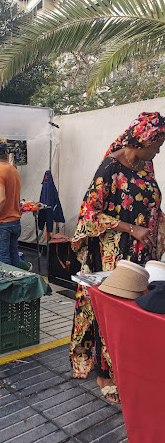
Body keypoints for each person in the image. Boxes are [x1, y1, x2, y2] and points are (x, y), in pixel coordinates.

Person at [70, 112, 165, 404]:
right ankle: (104, 372)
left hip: (142, 252)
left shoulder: (145, 165)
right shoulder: (110, 167)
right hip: (113, 252)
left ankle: (128, 366)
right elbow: (89, 213)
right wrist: (130, 228)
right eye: (157, 143)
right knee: (111, 309)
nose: (159, 150)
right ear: (142, 140)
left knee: (136, 308)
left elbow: (152, 204)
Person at [0, 141, 21, 267]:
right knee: (14, 257)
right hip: (14, 221)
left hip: (3, 224)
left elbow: (1, 198)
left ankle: (7, 286)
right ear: (6, 155)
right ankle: (17, 285)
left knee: (3, 260)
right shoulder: (13, 170)